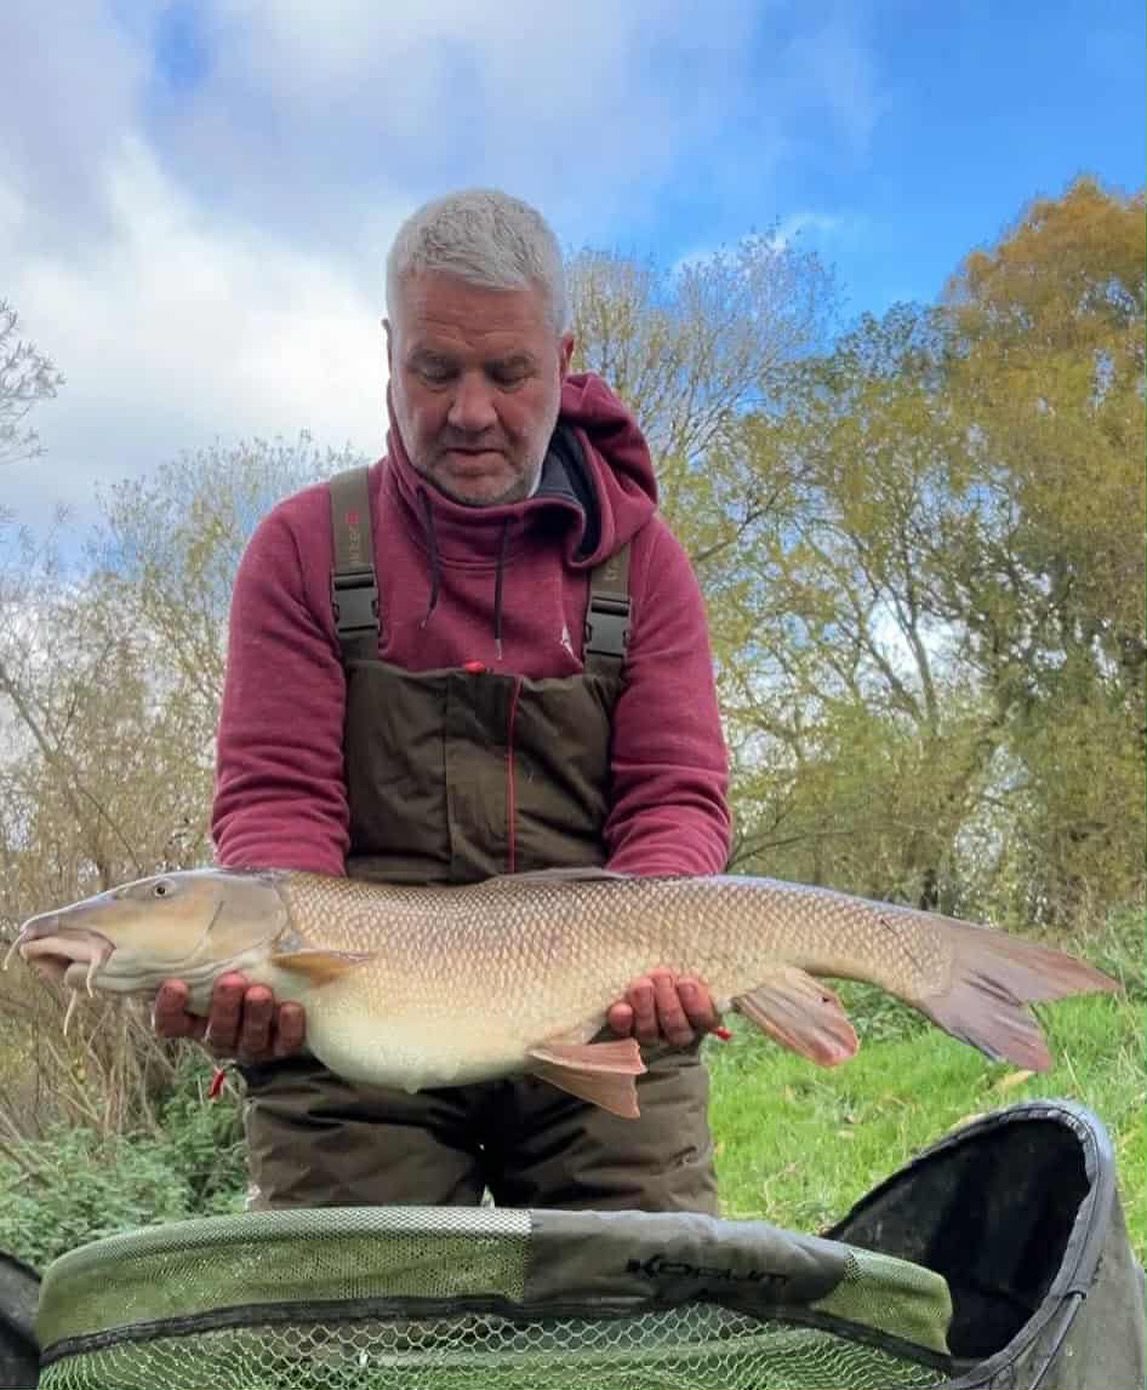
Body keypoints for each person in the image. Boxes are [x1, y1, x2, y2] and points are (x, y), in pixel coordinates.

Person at [153, 189, 732, 1213]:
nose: (470, 410)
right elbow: (277, 801)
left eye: (507, 373)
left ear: (561, 359)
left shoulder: (645, 565)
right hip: (357, 1030)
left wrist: (659, 946)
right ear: (390, 354)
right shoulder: (300, 549)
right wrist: (268, 976)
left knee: (646, 1320)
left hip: (595, 1012)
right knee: (344, 1345)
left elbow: (675, 800)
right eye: (435, 369)